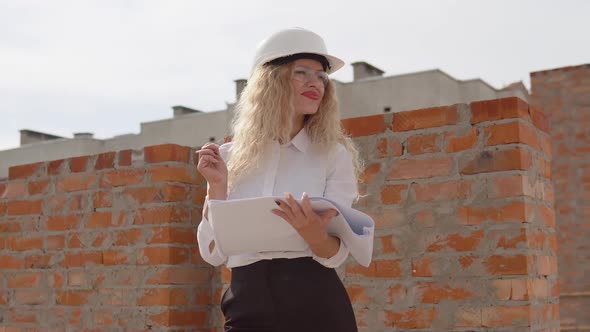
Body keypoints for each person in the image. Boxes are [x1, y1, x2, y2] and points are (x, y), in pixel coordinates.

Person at [196, 27, 363, 332]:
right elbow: (212, 253)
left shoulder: (332, 156)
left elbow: (336, 254)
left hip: (315, 301)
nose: (316, 83)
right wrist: (216, 187)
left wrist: (312, 233)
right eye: (302, 73)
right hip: (246, 303)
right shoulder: (228, 158)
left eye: (322, 76)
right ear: (270, 81)